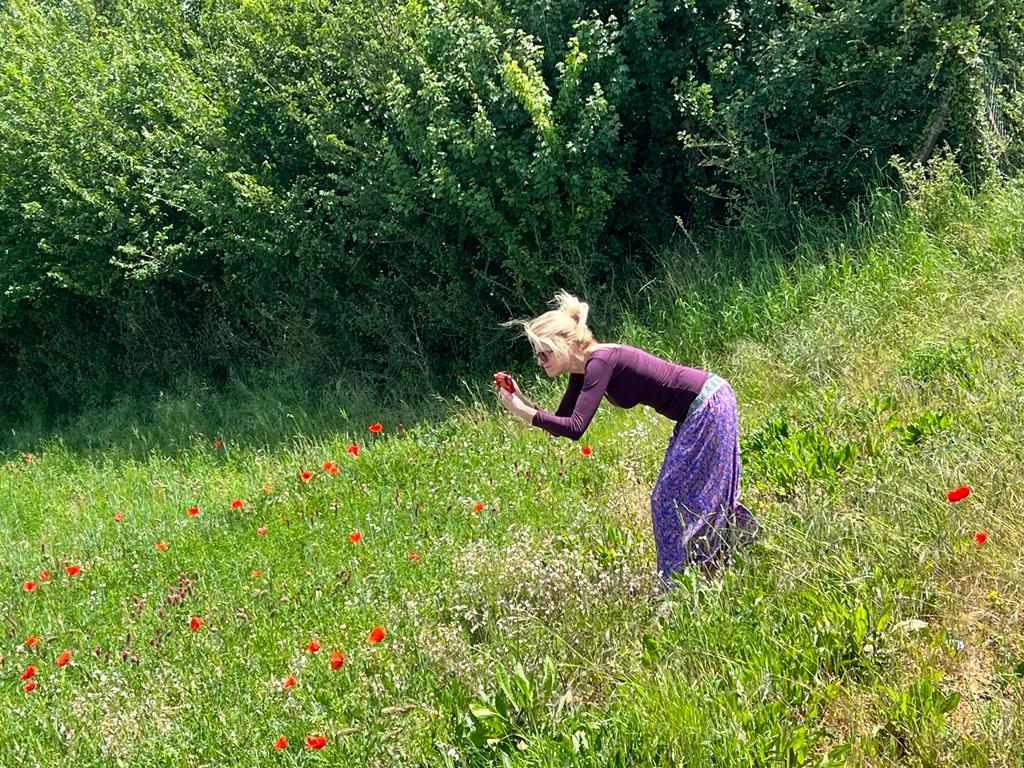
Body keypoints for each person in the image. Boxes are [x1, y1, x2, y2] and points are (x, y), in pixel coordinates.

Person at [496, 290, 758, 585]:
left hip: (708, 404)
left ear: (567, 344)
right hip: (699, 408)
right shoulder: (582, 369)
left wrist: (523, 412)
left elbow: (575, 427)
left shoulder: (600, 361)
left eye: (545, 353)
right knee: (681, 495)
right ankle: (726, 549)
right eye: (537, 355)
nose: (540, 361)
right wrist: (523, 401)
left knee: (667, 499)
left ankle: (677, 586)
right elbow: (562, 424)